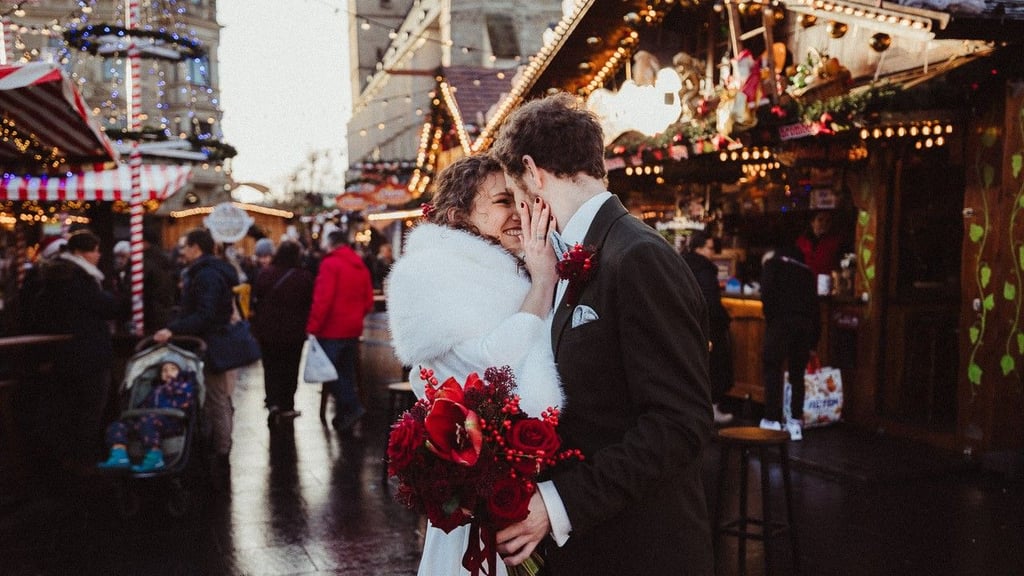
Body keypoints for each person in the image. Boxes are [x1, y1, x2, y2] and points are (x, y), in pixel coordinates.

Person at [491, 93, 714, 575]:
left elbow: (680, 423)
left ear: (532, 172)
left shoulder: (638, 256)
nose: (517, 208)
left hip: (641, 549)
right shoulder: (568, 256)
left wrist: (556, 504)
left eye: (514, 191)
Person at [387, 153, 562, 576]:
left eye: (523, 200)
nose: (520, 213)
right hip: (484, 491)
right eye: (504, 202)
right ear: (458, 215)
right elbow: (492, 367)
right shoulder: (433, 274)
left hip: (524, 482)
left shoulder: (514, 266)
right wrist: (542, 285)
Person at [22, 229, 119, 469]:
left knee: (70, 409)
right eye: (94, 250)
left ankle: (69, 457)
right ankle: (82, 460)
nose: (98, 255)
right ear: (80, 252)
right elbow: (101, 306)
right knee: (89, 409)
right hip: (87, 353)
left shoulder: (55, 276)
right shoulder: (78, 279)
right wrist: (123, 301)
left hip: (64, 353)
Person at [153, 228, 240, 488]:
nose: (182, 251)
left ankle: (222, 453)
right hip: (210, 342)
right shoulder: (206, 272)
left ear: (196, 248)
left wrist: (174, 328)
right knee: (215, 397)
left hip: (210, 344)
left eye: (185, 246)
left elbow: (206, 313)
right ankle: (215, 447)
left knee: (215, 398)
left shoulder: (206, 275)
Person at [306, 229, 374, 434]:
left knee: (328, 373)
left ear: (332, 244)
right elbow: (368, 301)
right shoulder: (359, 265)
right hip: (353, 329)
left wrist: (313, 327)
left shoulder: (330, 264)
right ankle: (345, 416)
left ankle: (352, 407)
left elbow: (322, 300)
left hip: (331, 329)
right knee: (346, 373)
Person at [759, 220, 819, 441]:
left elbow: (767, 294)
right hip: (804, 325)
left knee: (772, 369)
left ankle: (772, 420)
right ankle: (795, 422)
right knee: (797, 374)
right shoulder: (806, 272)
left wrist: (772, 317)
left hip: (780, 323)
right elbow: (815, 307)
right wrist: (814, 340)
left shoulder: (773, 263)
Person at [98, 352, 196, 472]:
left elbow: (185, 405)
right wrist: (136, 415)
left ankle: (155, 457)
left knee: (148, 421)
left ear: (181, 372)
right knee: (117, 426)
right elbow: (145, 405)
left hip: (171, 422)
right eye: (164, 370)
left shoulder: (184, 387)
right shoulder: (156, 390)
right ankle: (119, 454)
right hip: (148, 420)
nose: (168, 372)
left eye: (173, 369)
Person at [251, 240, 314, 427]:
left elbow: (257, 299)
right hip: (293, 332)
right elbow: (309, 303)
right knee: (290, 367)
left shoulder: (266, 274)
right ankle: (287, 404)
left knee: (270, 367)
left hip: (267, 330)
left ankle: (272, 402)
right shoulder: (304, 277)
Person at [682, 230, 734, 425]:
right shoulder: (705, 269)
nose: (713, 253)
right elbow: (710, 301)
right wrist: (723, 319)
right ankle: (711, 408)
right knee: (714, 367)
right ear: (699, 247)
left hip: (688, 324)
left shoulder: (682, 263)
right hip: (709, 326)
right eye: (710, 248)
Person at [796, 210, 842, 277]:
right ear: (812, 222)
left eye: (828, 221)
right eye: (820, 220)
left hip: (826, 282)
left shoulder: (836, 242)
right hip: (804, 281)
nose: (824, 223)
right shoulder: (801, 242)